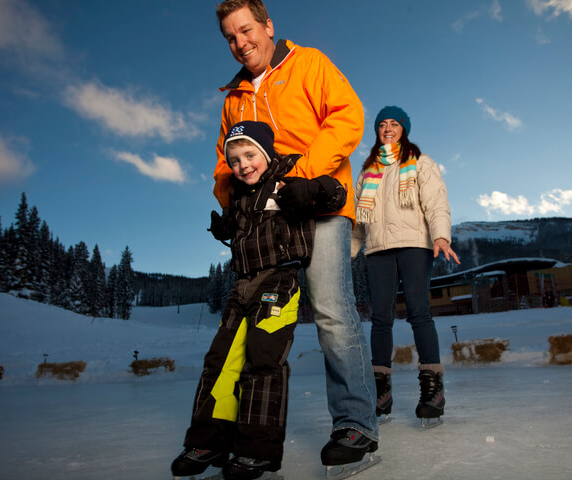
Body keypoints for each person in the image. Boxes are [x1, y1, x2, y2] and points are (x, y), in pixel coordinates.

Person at [210, 0, 379, 470]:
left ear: (267, 26)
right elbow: (226, 162)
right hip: (267, 220)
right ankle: (242, 434)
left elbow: (347, 115)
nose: (240, 43)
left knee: (329, 308)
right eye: (230, 36)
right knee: (257, 320)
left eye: (246, 30)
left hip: (320, 201)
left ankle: (356, 424)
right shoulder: (233, 98)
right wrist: (229, 206)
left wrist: (302, 176)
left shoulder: (308, 63)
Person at [171, 120, 347, 479]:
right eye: (234, 160)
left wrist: (315, 188)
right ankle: (209, 440)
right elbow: (241, 228)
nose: (243, 165)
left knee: (263, 361)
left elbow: (336, 195)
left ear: (266, 153)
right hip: (243, 287)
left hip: (279, 281)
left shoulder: (288, 175)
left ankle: (257, 451)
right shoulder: (239, 195)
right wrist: (226, 226)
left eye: (250, 155)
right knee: (220, 361)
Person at [351, 106, 461, 427]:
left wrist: (440, 235)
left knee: (418, 311)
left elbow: (436, 202)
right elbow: (358, 223)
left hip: (415, 244)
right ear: (377, 131)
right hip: (378, 250)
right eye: (382, 124)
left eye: (394, 123)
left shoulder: (420, 163)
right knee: (381, 319)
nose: (388, 128)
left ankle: (432, 392)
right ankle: (381, 392)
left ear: (404, 129)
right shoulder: (367, 171)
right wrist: (347, 254)